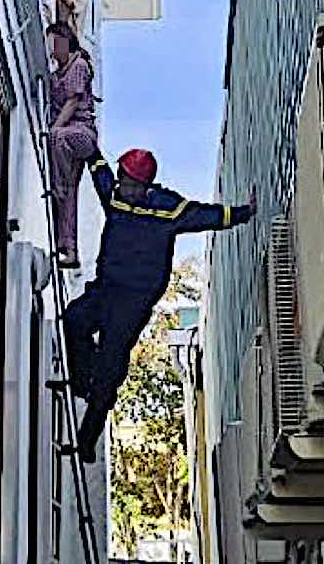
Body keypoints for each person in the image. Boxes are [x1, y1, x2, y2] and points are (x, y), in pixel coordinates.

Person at [61, 147, 258, 462]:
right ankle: (82, 381)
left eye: (128, 183)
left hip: (134, 301)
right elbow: (99, 172)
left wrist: (243, 213)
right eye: (121, 179)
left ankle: (87, 440)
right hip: (107, 288)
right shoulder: (114, 197)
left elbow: (206, 215)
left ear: (144, 186)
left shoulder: (168, 209)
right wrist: (91, 152)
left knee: (111, 365)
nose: (121, 187)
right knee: (73, 320)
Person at [47, 20, 98, 269]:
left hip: (80, 133)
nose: (52, 50)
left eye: (55, 43)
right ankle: (68, 249)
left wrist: (55, 127)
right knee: (68, 196)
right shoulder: (57, 73)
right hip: (67, 138)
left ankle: (59, 182)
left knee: (57, 138)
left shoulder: (78, 65)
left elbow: (72, 101)